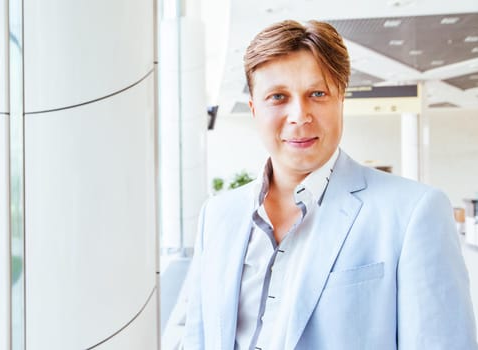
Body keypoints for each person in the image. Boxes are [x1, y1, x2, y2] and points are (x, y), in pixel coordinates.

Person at [183, 19, 477, 349]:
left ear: (341, 100)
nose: (299, 115)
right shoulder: (218, 216)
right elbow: (198, 336)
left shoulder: (413, 213)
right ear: (254, 109)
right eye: (278, 97)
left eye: (317, 93)